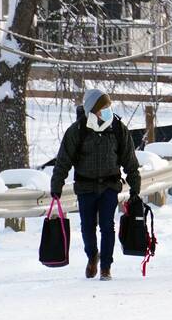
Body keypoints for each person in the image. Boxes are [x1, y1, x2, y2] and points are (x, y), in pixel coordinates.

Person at [50, 89, 142, 280]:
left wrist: (135, 185)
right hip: (85, 187)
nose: (107, 110)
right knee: (87, 227)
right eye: (103, 107)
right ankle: (93, 256)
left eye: (109, 106)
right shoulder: (77, 130)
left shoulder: (117, 129)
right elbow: (63, 161)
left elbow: (129, 160)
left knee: (107, 226)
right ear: (93, 110)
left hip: (110, 186)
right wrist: (56, 185)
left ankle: (106, 266)